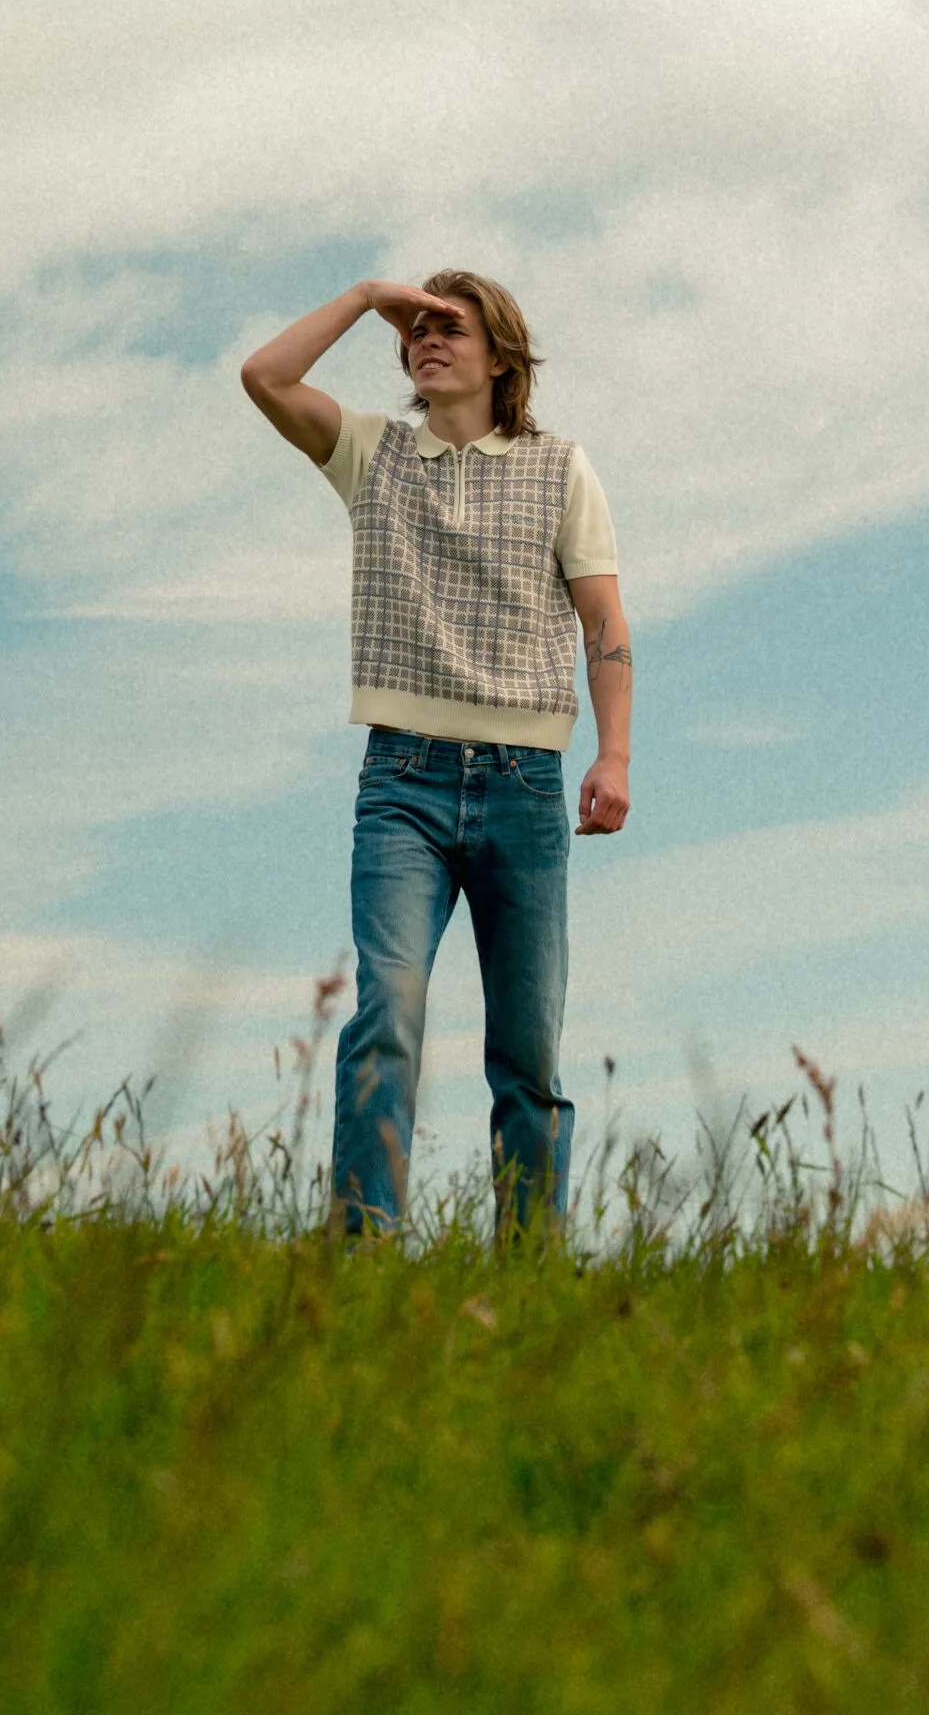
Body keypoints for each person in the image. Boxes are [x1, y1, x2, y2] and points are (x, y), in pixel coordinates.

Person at [240, 272, 630, 1235]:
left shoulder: (562, 468)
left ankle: (529, 1269)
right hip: (402, 783)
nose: (424, 340)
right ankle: (363, 1245)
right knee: (387, 1018)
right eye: (413, 330)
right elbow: (264, 374)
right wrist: (367, 293)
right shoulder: (372, 454)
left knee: (527, 1051)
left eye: (449, 328)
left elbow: (605, 625)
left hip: (524, 786)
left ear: (501, 356)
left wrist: (612, 756)